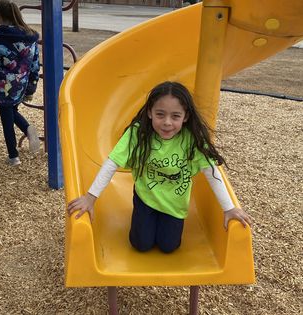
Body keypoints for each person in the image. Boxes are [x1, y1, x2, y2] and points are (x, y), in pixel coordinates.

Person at [68, 81, 251, 253]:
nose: (167, 122)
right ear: (150, 112)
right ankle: (143, 224)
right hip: (146, 198)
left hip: (174, 204)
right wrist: (90, 198)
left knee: (168, 247)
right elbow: (112, 163)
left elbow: (211, 171)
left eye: (175, 116)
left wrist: (229, 208)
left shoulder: (190, 139)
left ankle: (160, 226)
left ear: (185, 116)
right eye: (160, 114)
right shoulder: (139, 133)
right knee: (141, 245)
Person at [0, 0, 40, 166]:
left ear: (0, 16)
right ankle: (28, 129)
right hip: (21, 83)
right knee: (12, 110)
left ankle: (13, 156)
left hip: (3, 85)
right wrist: (31, 86)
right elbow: (34, 64)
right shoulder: (30, 37)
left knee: (6, 118)